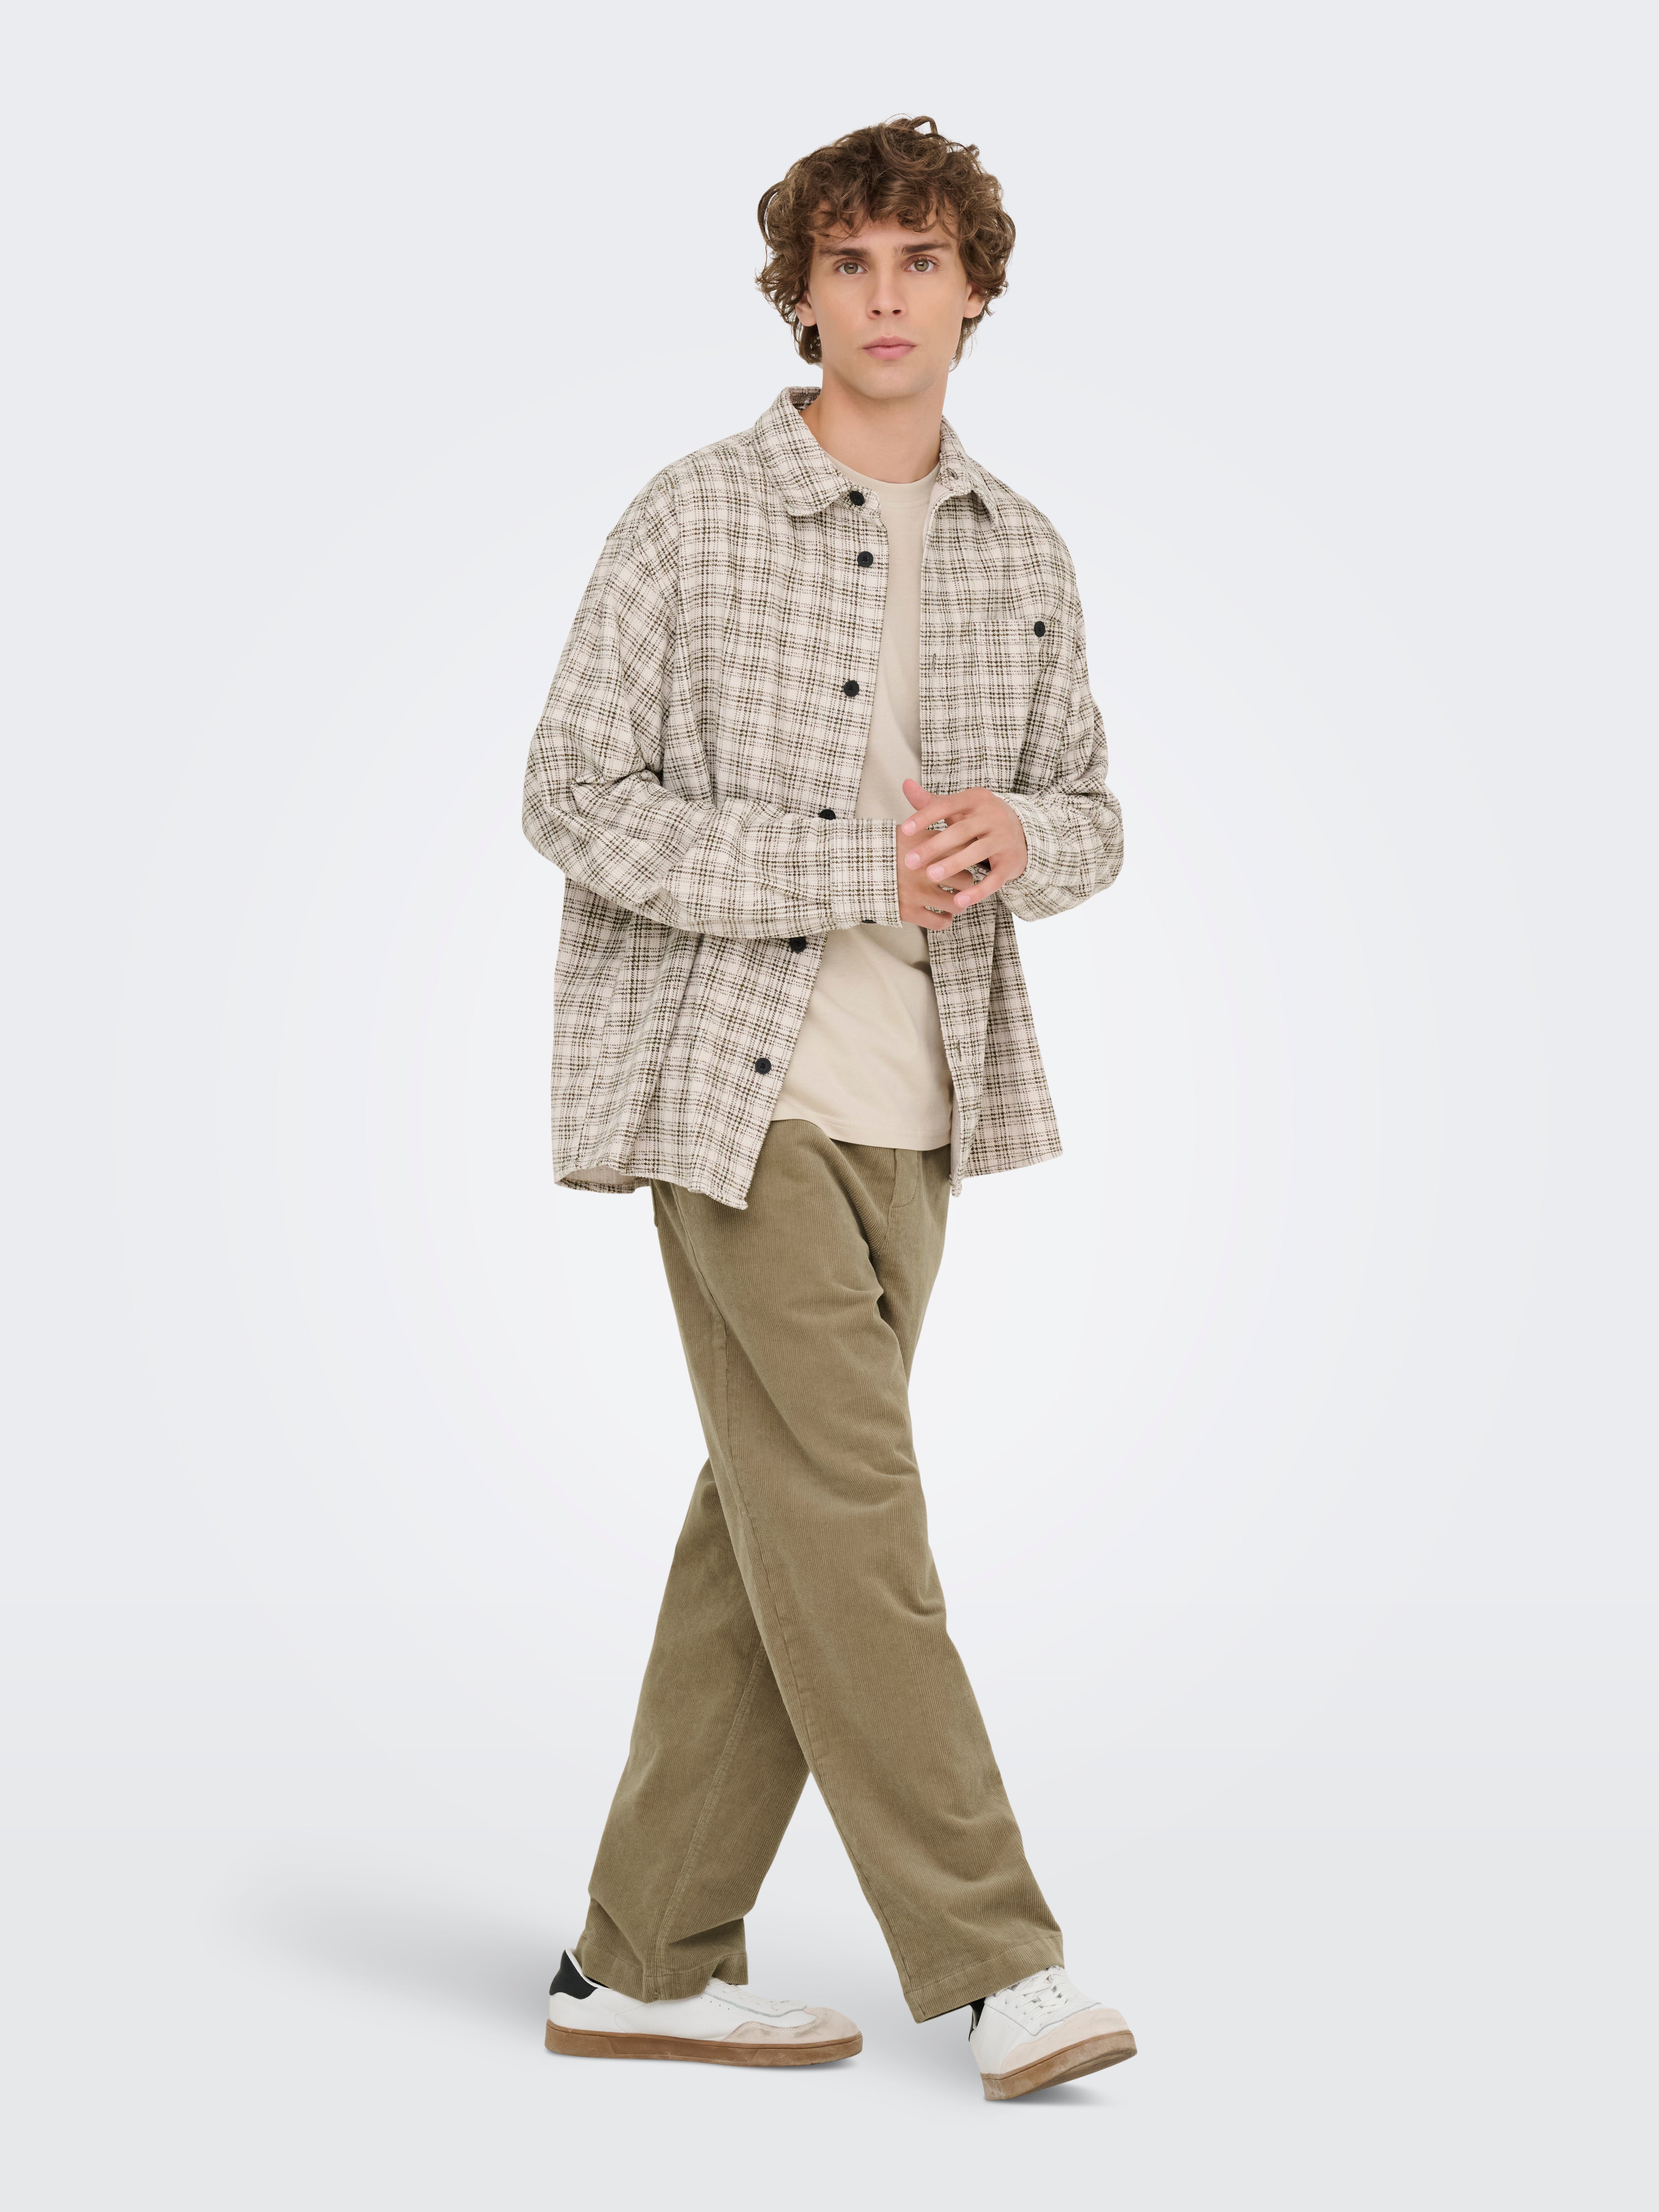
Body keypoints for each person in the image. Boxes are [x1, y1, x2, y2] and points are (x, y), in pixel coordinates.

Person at [523, 116, 1130, 2102]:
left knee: (776, 1524)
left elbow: (1093, 814)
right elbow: (570, 797)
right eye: (849, 262)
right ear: (799, 293)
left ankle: (640, 1961)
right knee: (854, 1520)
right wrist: (843, 867)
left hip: (923, 1105)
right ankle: (1000, 1964)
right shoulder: (694, 517)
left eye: (920, 261)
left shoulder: (1022, 549)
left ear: (975, 292)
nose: (885, 297)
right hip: (733, 1091)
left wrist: (1017, 834)